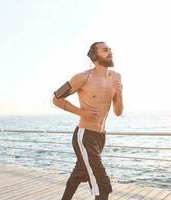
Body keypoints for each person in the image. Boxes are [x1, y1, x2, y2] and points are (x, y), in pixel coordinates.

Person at [53, 41, 124, 200]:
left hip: (100, 136)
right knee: (101, 183)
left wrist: (119, 93)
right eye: (105, 50)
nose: (110, 52)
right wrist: (81, 112)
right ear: (94, 55)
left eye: (110, 49)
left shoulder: (116, 77)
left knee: (80, 172)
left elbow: (118, 112)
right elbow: (56, 99)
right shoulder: (82, 78)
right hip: (84, 136)